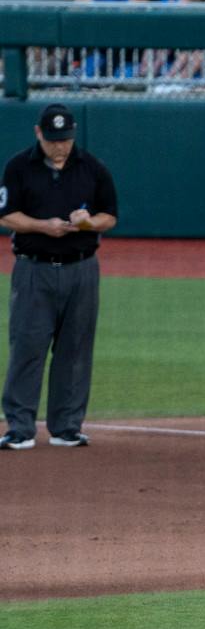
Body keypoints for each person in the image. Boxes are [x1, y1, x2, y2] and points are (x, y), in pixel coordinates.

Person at [1, 105, 117, 452]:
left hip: (82, 268)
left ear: (74, 133)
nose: (60, 147)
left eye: (65, 139)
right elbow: (7, 215)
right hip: (34, 267)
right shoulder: (19, 167)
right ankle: (20, 428)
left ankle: (66, 427)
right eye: (53, 141)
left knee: (75, 349)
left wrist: (87, 223)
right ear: (39, 133)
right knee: (27, 346)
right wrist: (42, 226)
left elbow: (109, 215)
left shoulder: (92, 168)